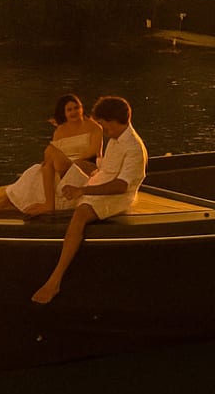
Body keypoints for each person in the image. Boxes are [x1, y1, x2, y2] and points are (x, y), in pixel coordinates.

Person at [32, 96, 147, 304]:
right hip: (100, 180)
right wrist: (89, 171)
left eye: (103, 124)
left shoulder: (134, 148)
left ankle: (55, 279)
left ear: (112, 121)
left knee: (80, 212)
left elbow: (122, 185)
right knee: (54, 183)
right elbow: (106, 170)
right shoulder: (114, 139)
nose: (102, 128)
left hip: (118, 196)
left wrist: (83, 190)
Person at [5, 94, 103, 216]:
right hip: (63, 165)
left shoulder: (94, 127)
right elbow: (56, 154)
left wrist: (70, 161)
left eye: (76, 108)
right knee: (37, 168)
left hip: (85, 166)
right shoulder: (60, 130)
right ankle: (47, 203)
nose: (74, 112)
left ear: (82, 108)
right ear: (64, 113)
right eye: (69, 110)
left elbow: (93, 152)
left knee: (50, 150)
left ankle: (49, 204)